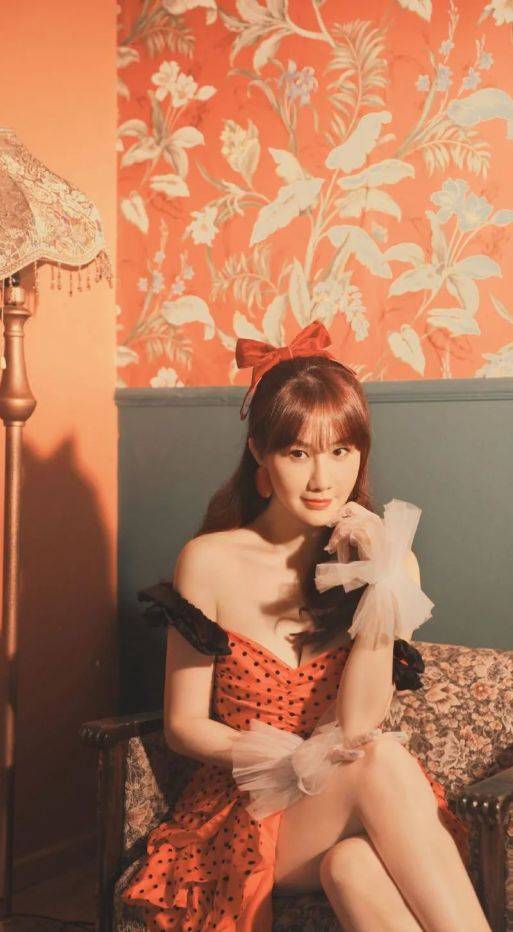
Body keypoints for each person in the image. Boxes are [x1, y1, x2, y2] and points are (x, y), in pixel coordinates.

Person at [122, 321, 489, 931]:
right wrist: (286, 760)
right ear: (260, 455)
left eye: (340, 451)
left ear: (361, 455)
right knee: (382, 763)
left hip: (340, 806)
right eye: (298, 453)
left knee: (352, 866)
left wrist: (379, 576)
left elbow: (359, 724)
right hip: (247, 809)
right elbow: (183, 726)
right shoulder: (208, 560)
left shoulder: (391, 564)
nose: (323, 479)